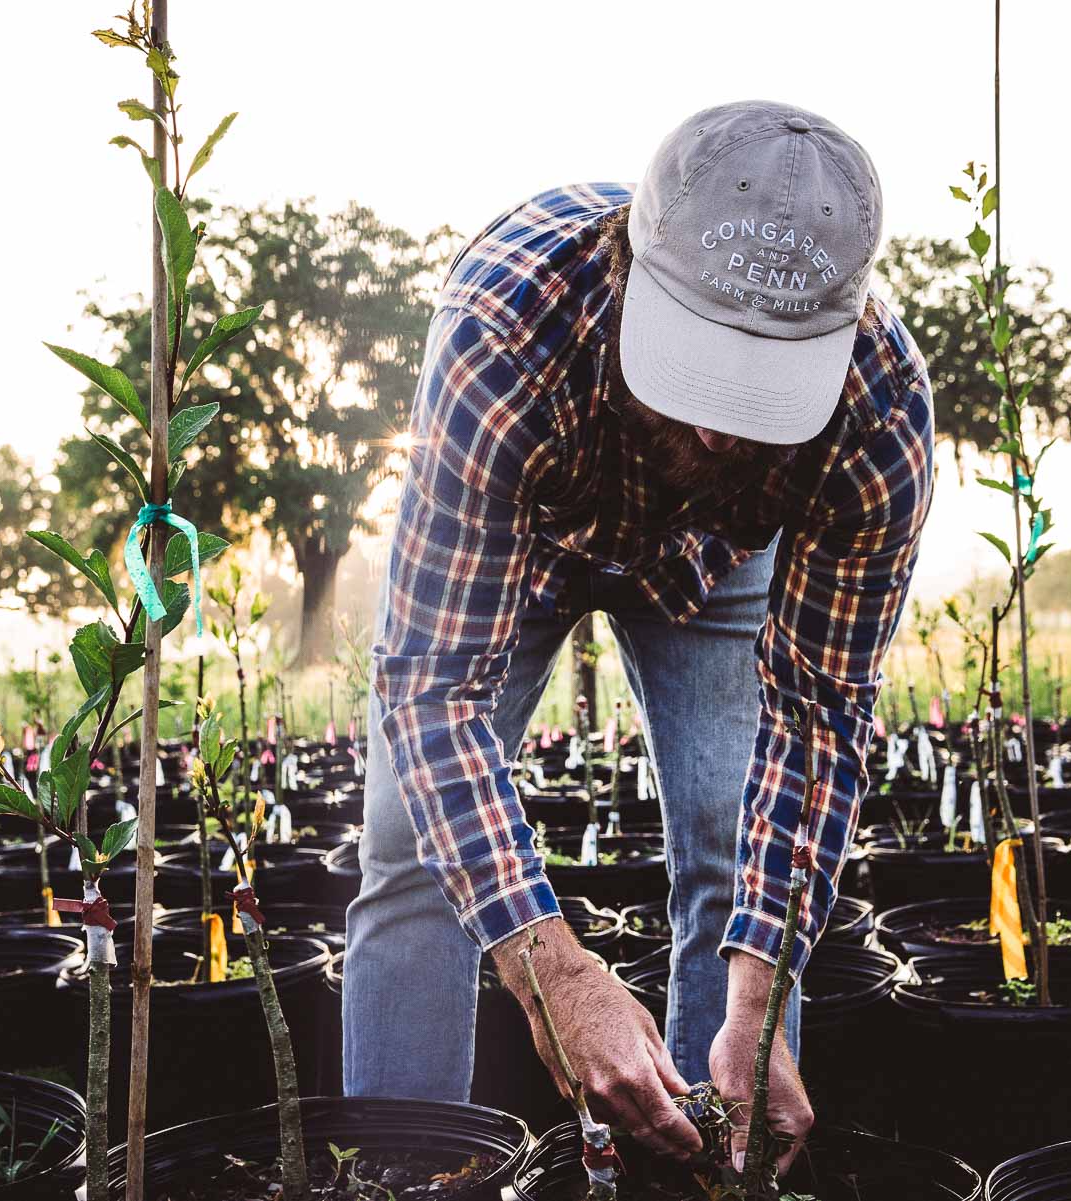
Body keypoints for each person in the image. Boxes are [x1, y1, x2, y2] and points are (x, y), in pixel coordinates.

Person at [343, 100, 933, 1170]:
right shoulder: (507, 330)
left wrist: (764, 992)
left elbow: (820, 714)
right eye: (700, 370)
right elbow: (432, 695)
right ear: (628, 269)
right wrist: (551, 970)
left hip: (717, 564)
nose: (720, 426)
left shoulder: (878, 414)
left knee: (727, 843)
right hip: (524, 534)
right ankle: (403, 1177)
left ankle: (709, 1159)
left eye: (765, 392)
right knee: (405, 846)